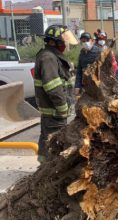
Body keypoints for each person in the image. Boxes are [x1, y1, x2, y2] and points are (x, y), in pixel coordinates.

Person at [34, 25, 78, 163]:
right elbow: (52, 87)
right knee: (54, 144)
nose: (65, 44)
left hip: (54, 111)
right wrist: (62, 108)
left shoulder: (53, 56)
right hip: (55, 112)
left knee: (47, 140)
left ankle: (43, 168)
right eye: (63, 40)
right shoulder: (48, 58)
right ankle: (48, 172)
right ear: (53, 42)